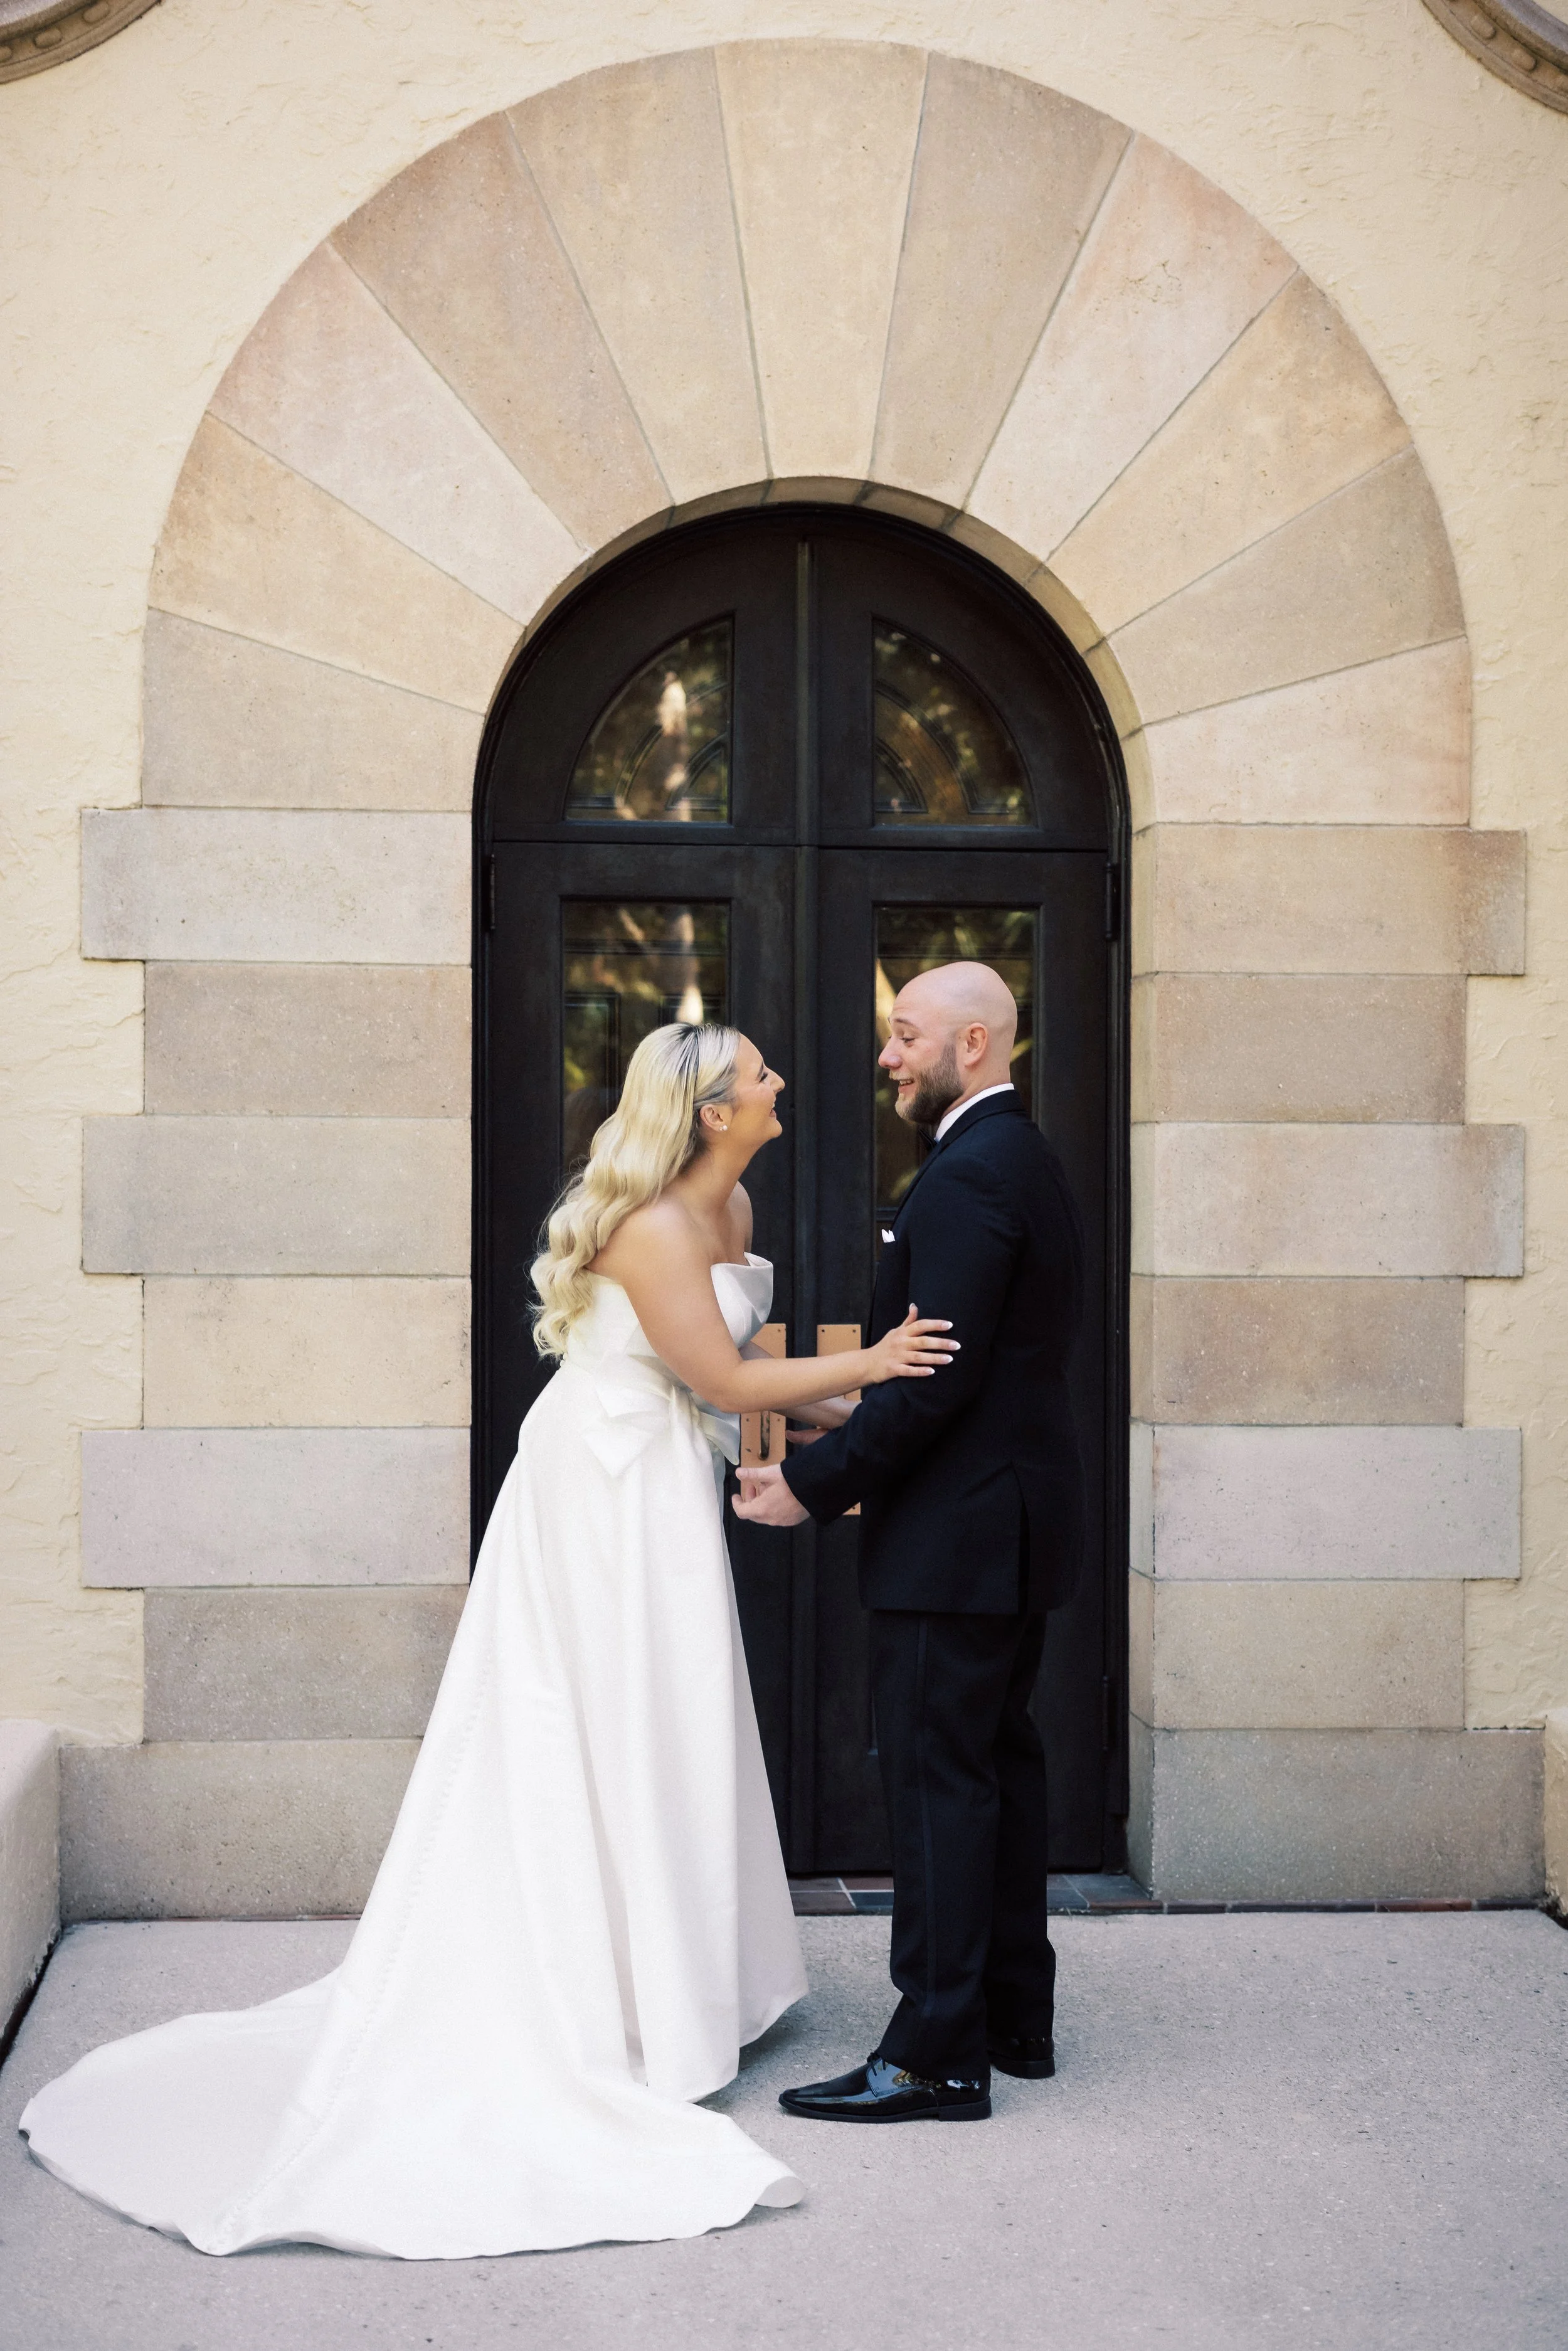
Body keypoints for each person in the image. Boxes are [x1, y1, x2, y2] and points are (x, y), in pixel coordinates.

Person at [19, 1024, 956, 2255]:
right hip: (598, 1491)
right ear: (711, 1108)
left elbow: (732, 1368)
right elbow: (723, 1385)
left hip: (658, 1478)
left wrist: (870, 1406)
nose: (782, 1079)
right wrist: (879, 1359)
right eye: (760, 1073)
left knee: (665, 1717)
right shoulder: (655, 1227)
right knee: (599, 1716)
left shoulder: (724, 1209)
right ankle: (596, 1994)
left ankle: (671, 1982)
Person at [734, 963, 1084, 2125]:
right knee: (998, 1773)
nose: (887, 1056)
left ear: (972, 1044)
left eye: (904, 1036)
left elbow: (936, 1386)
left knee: (943, 1789)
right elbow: (963, 1383)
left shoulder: (969, 1178)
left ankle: (936, 2054)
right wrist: (835, 1422)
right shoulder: (1015, 1160)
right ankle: (1009, 2018)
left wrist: (813, 1485)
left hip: (960, 1540)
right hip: (1004, 1529)